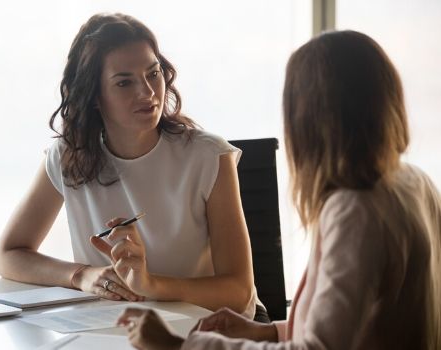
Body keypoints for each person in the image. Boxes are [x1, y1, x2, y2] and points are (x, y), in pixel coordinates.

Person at [117, 30, 441, 349]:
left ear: (306, 118)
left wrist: (175, 346)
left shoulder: (355, 209)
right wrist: (269, 333)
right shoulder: (414, 182)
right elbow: (352, 329)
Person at [0, 13, 265, 318]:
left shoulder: (208, 156)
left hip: (209, 330)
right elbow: (8, 254)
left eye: (154, 74)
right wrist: (81, 275)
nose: (148, 93)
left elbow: (239, 292)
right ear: (94, 95)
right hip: (115, 330)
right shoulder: (69, 156)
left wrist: (151, 285)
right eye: (124, 82)